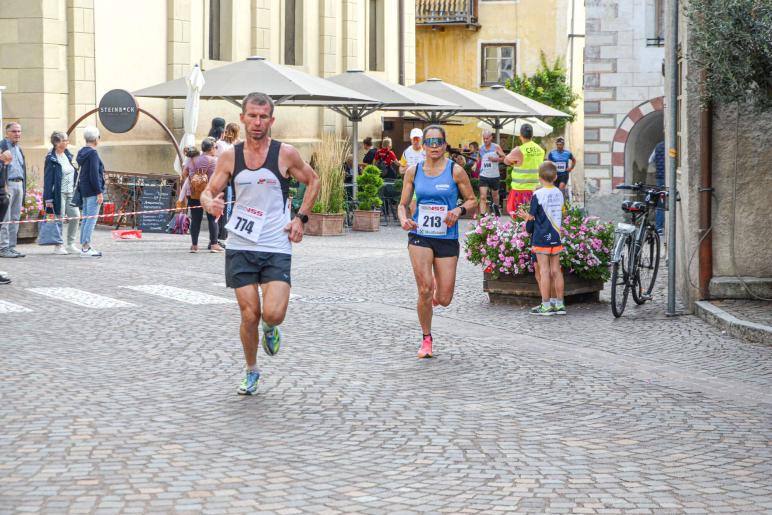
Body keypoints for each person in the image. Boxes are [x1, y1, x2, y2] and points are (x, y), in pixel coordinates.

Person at [200, 92, 320, 396]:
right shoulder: (230, 157)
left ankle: (271, 328)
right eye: (252, 116)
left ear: (271, 120)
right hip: (241, 244)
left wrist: (300, 218)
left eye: (263, 116)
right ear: (242, 118)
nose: (257, 122)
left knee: (272, 314)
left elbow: (314, 180)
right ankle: (251, 370)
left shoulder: (285, 154)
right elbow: (209, 190)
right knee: (249, 313)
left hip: (275, 243)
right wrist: (209, 203)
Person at [398, 125, 477, 359]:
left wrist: (458, 210)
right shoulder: (413, 171)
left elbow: (472, 200)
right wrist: (404, 220)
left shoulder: (456, 171)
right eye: (429, 142)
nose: (433, 146)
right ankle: (426, 339)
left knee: (444, 298)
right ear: (423, 145)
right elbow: (402, 204)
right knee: (424, 289)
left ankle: (433, 292)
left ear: (444, 145)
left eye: (438, 142)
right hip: (420, 236)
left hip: (446, 238)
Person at [521, 162, 566, 316]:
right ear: (555, 177)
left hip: (541, 237)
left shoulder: (537, 195)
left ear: (539, 177)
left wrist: (526, 218)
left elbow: (532, 218)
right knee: (556, 270)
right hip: (556, 235)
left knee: (544, 271)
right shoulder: (559, 193)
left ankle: (546, 305)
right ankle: (559, 304)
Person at [178, 140, 221, 253]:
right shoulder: (214, 161)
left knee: (196, 220)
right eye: (215, 147)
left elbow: (185, 174)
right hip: (209, 194)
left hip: (193, 193)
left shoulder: (192, 159)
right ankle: (214, 244)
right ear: (211, 149)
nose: (216, 149)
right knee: (212, 219)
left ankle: (194, 246)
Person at [43, 131, 81, 254]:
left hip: (70, 192)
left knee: (75, 216)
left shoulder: (68, 155)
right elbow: (48, 179)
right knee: (59, 218)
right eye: (65, 140)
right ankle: (58, 246)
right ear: (57, 142)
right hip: (58, 193)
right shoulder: (51, 158)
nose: (67, 142)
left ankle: (70, 244)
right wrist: (48, 198)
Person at [76, 126, 105, 258]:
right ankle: (85, 247)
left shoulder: (82, 152)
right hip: (93, 191)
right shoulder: (93, 153)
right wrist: (99, 192)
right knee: (91, 220)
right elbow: (94, 174)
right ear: (96, 139)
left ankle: (84, 245)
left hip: (85, 190)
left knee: (86, 219)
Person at [503, 123, 545, 217]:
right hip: (536, 189)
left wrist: (513, 158)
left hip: (520, 190)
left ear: (520, 136)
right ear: (532, 135)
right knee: (534, 218)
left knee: (518, 218)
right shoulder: (540, 150)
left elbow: (506, 161)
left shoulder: (519, 150)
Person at [0, 122, 27, 258]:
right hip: (7, 185)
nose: (17, 134)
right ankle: (3, 248)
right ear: (7, 133)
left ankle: (11, 246)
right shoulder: (2, 146)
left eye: (19, 131)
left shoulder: (19, 149)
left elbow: (23, 170)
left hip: (19, 185)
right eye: (14, 131)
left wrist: (24, 189)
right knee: (6, 218)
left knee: (15, 218)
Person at [478, 130, 506, 216]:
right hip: (484, 175)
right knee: (483, 197)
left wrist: (496, 159)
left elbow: (505, 158)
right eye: (484, 138)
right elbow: (479, 158)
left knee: (495, 196)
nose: (485, 140)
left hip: (494, 176)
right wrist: (475, 165)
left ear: (491, 138)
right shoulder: (481, 148)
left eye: (487, 138)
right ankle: (482, 216)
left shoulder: (496, 147)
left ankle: (496, 207)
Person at [546, 137, 576, 201]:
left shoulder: (567, 153)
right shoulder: (552, 153)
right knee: (555, 190)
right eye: (558, 144)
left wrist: (571, 168)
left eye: (561, 144)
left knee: (561, 187)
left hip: (564, 174)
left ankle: (562, 205)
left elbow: (574, 160)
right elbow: (548, 163)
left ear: (563, 144)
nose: (559, 146)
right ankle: (557, 203)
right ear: (556, 144)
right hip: (555, 175)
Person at [649, 141, 666, 235]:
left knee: (661, 201)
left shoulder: (658, 146)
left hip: (660, 178)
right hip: (672, 177)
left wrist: (657, 167)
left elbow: (650, 160)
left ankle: (659, 227)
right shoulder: (675, 144)